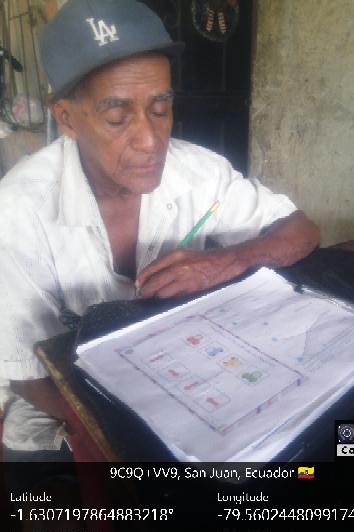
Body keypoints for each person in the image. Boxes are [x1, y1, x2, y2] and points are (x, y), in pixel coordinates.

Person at [0, 0, 319, 462]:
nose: (151, 141)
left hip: (185, 380)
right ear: (66, 118)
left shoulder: (199, 173)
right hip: (62, 413)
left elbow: (301, 229)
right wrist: (148, 439)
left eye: (161, 108)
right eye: (117, 118)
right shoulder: (18, 210)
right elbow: (29, 376)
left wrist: (229, 259)